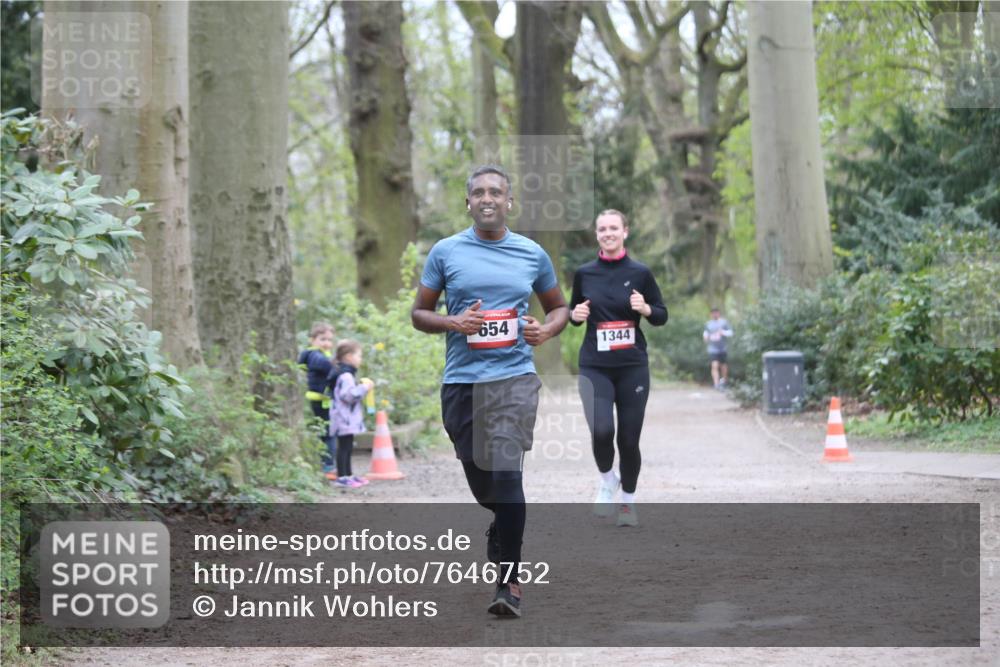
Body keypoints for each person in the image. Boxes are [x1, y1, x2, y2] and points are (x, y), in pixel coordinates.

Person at [411, 165, 569, 618]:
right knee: (484, 485)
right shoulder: (446, 252)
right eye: (478, 192)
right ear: (468, 202)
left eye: (495, 192)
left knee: (506, 476)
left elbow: (558, 307)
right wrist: (453, 322)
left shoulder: (531, 254)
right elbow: (419, 314)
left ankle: (509, 583)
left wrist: (547, 330)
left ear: (509, 201)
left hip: (513, 379)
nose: (487, 198)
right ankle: (500, 525)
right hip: (462, 382)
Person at [568, 210, 667, 528]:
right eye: (602, 229)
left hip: (632, 367)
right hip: (594, 365)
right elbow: (572, 311)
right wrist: (576, 315)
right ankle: (607, 479)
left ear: (626, 232)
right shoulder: (585, 273)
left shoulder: (640, 273)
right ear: (596, 234)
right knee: (601, 431)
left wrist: (647, 308)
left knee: (628, 439)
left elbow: (662, 314)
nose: (608, 233)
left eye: (613, 228)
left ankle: (627, 500)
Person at [329, 339, 375, 489]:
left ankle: (348, 475)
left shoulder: (344, 373)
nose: (360, 359)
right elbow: (348, 395)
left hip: (345, 419)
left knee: (347, 447)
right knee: (344, 448)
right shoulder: (346, 376)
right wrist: (364, 387)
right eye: (358, 356)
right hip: (343, 419)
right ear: (348, 356)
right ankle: (342, 477)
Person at [297, 322, 338, 479]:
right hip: (321, 399)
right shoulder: (316, 355)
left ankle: (325, 463)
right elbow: (329, 368)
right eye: (322, 339)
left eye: (329, 340)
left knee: (324, 431)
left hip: (322, 399)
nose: (327, 343)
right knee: (328, 433)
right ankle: (328, 465)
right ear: (312, 340)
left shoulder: (317, 354)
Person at [703, 307, 733, 390]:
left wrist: (722, 332)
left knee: (723, 366)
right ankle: (716, 384)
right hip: (712, 349)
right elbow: (705, 334)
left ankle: (724, 381)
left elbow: (730, 333)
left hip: (723, 348)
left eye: (716, 312)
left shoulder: (724, 322)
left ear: (719, 313)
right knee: (714, 365)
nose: (714, 314)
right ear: (711, 314)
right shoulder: (708, 324)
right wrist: (706, 337)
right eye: (713, 313)